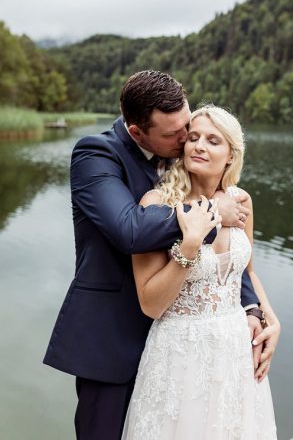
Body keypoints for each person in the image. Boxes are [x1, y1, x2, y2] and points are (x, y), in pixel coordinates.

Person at [43, 71, 279, 440]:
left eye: (188, 126)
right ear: (137, 132)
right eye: (176, 135)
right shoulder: (97, 153)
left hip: (190, 348)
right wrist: (212, 209)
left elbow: (230, 265)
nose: (187, 140)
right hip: (113, 337)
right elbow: (130, 229)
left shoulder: (184, 154)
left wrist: (256, 310)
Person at [122, 105, 279, 440]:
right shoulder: (156, 204)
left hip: (235, 351)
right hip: (179, 351)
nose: (199, 146)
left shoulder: (241, 201)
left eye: (212, 140)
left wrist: (269, 318)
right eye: (193, 138)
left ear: (231, 155)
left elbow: (247, 272)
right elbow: (150, 304)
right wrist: (189, 246)